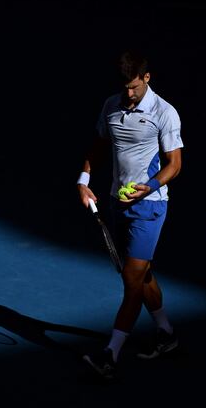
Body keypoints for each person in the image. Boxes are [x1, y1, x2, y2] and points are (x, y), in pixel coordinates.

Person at [77, 50, 183, 380]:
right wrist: (83, 180)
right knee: (141, 273)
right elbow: (97, 145)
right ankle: (166, 333)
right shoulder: (111, 105)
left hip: (149, 207)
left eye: (134, 86)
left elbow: (175, 165)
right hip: (115, 203)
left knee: (131, 283)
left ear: (146, 79)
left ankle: (111, 354)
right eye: (124, 87)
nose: (129, 93)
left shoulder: (164, 113)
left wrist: (148, 188)